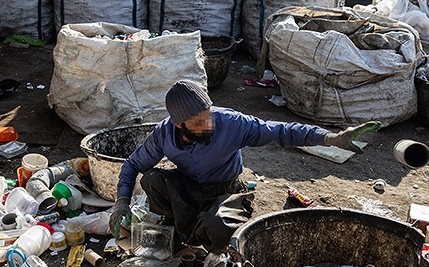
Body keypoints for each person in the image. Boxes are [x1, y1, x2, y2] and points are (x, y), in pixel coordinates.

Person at [108, 79, 381, 255]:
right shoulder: (163, 134)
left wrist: (331, 138)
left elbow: (282, 131)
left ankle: (207, 236)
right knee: (152, 179)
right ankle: (178, 230)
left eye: (208, 115)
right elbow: (133, 164)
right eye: (199, 122)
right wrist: (121, 203)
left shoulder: (231, 123)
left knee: (216, 230)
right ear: (179, 125)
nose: (209, 123)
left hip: (226, 191)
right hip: (190, 187)